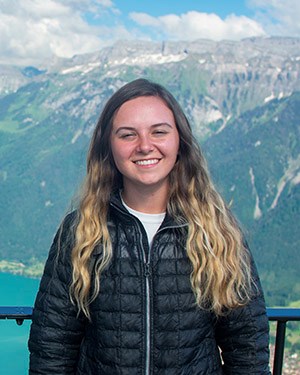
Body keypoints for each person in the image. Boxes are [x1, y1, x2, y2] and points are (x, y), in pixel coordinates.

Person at [28, 78, 271, 374]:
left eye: (159, 132)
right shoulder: (81, 231)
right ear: (109, 146)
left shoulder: (216, 230)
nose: (145, 146)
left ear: (179, 140)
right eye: (128, 135)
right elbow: (52, 343)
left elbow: (246, 344)